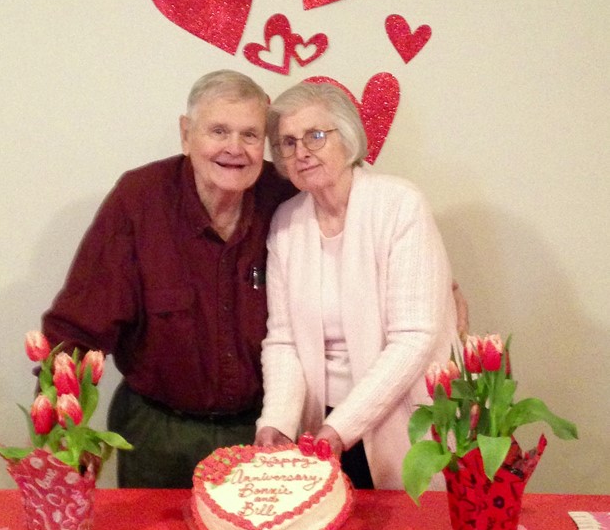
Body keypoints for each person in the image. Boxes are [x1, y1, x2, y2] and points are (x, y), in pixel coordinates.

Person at [42, 70, 293, 488]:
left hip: (264, 433)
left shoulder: (285, 198)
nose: (235, 149)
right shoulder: (139, 200)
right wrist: (65, 434)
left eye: (250, 135)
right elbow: (77, 329)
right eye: (218, 131)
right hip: (157, 433)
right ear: (185, 133)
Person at [255, 81, 459, 490]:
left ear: (347, 137)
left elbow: (414, 338)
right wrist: (277, 420)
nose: (301, 152)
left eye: (315, 135)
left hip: (400, 415)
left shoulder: (400, 204)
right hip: (322, 428)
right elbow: (283, 341)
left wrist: (340, 427)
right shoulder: (285, 221)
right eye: (288, 142)